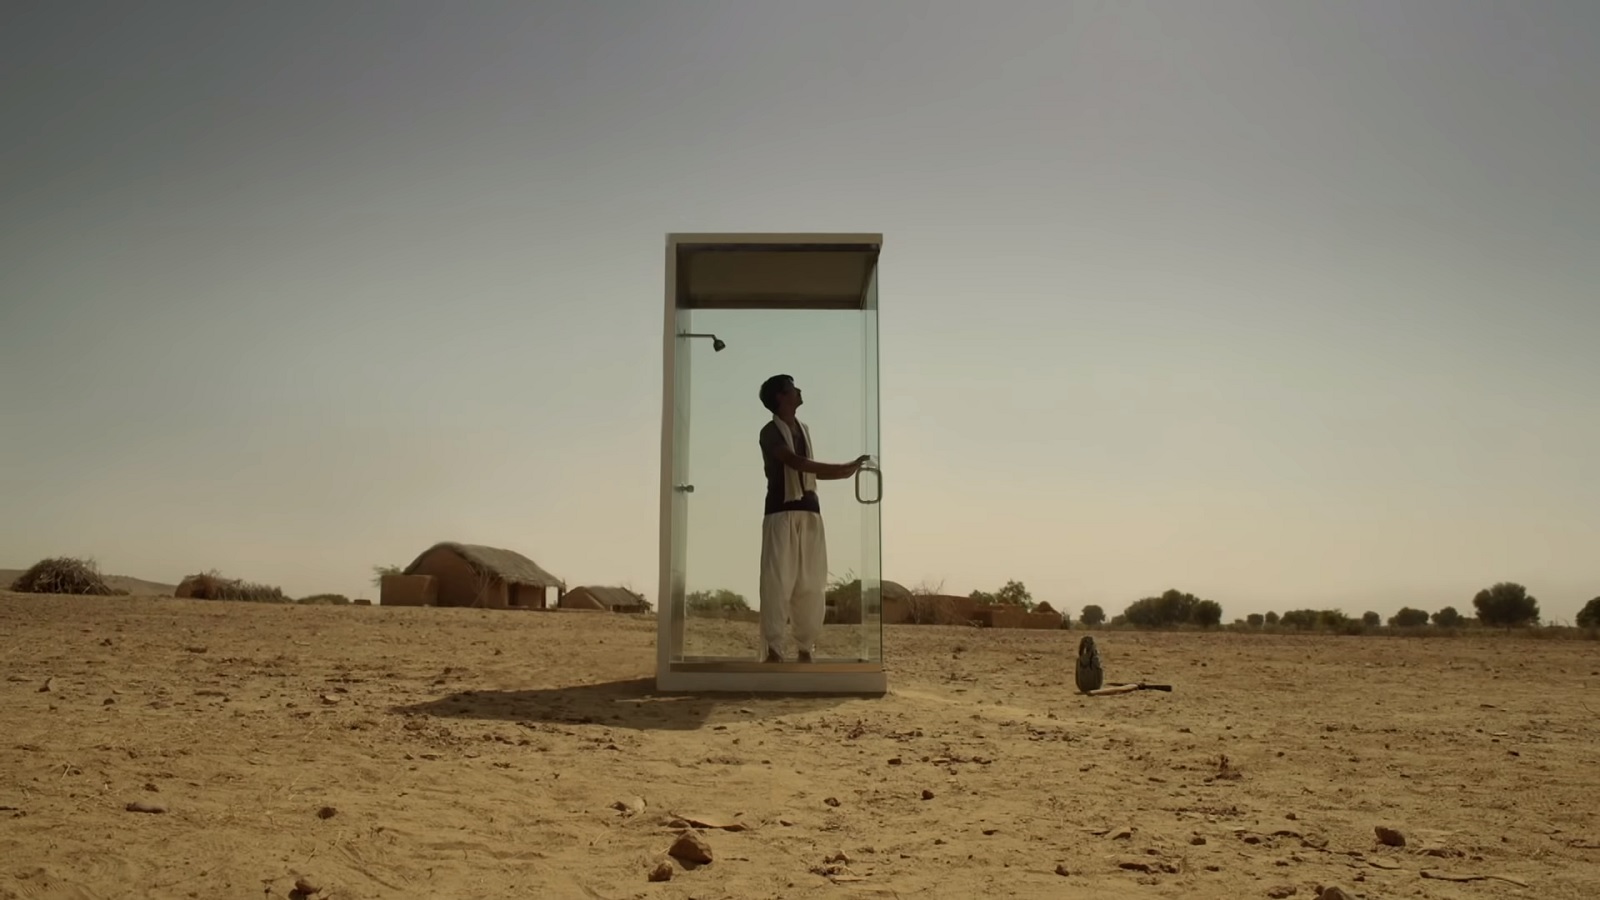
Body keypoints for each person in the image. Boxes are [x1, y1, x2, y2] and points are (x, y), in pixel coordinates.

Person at [756, 374, 871, 663]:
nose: (799, 391)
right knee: (778, 581)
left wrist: (845, 471)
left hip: (810, 512)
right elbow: (795, 463)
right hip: (781, 514)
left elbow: (808, 471)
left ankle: (806, 647)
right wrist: (843, 468)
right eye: (793, 387)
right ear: (781, 397)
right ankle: (773, 648)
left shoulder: (803, 430)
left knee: (811, 581)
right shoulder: (769, 432)